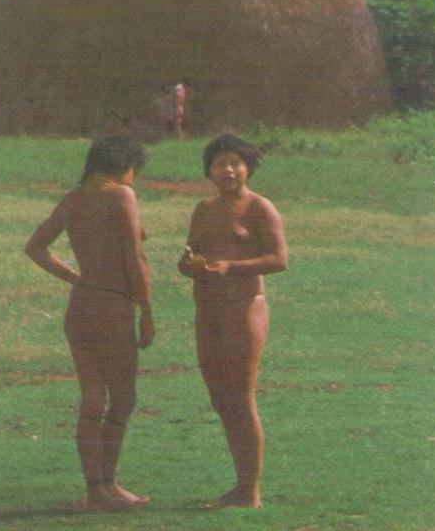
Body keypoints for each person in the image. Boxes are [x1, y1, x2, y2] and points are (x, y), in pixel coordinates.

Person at [24, 135, 154, 512]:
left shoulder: (73, 199)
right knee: (124, 398)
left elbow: (34, 247)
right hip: (113, 305)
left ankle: (98, 488)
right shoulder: (122, 196)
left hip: (81, 303)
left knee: (92, 398)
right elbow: (134, 257)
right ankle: (107, 484)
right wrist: (146, 309)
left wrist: (74, 277)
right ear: (124, 165)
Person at [178, 134, 287, 509]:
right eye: (220, 163)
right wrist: (188, 265)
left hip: (244, 308)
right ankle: (240, 485)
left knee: (241, 397)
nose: (228, 170)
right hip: (207, 309)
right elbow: (192, 254)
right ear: (209, 169)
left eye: (235, 163)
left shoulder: (260, 208)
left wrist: (232, 267)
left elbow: (278, 259)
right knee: (221, 398)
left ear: (248, 168)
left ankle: (249, 490)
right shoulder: (203, 209)